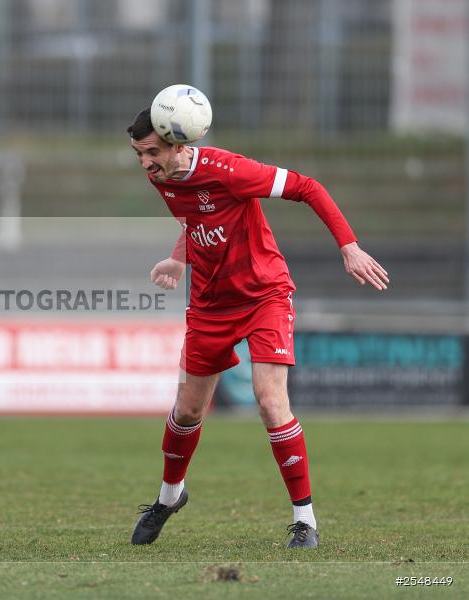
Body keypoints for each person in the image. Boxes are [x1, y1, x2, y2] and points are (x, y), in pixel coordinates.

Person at [126, 104, 389, 549]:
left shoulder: (231, 171)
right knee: (187, 411)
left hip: (264, 295)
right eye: (138, 154)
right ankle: (169, 497)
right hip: (209, 304)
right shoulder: (162, 177)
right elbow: (197, 220)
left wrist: (349, 246)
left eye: (151, 152)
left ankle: (305, 520)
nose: (145, 163)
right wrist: (178, 256)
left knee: (270, 402)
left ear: (178, 143)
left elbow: (308, 187)